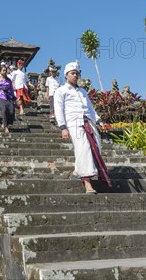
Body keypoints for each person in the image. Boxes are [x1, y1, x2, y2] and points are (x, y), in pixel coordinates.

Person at [54, 61, 112, 193]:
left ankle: (78, 169)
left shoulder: (82, 91)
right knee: (83, 149)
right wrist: (63, 127)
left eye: (77, 73)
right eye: (72, 73)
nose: (75, 76)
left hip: (89, 122)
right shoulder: (61, 91)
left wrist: (99, 121)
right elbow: (59, 110)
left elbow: (91, 109)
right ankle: (87, 183)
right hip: (74, 123)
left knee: (96, 147)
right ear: (66, 75)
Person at [0, 65, 16, 133]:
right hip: (1, 96)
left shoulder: (8, 80)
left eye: (5, 70)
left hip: (9, 97)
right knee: (4, 111)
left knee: (12, 111)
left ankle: (7, 123)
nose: (5, 71)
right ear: (0, 71)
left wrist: (14, 98)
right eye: (3, 70)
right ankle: (6, 127)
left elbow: (11, 89)